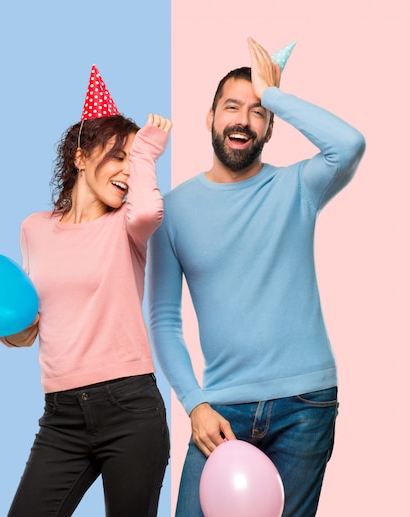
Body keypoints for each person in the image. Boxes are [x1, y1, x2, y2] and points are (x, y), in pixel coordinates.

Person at [147, 38, 366, 517]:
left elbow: (349, 145)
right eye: (231, 107)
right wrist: (194, 404)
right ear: (210, 118)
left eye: (257, 112)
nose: (242, 119)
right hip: (219, 411)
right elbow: (163, 320)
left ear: (270, 127)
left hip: (305, 405)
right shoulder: (173, 212)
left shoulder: (298, 187)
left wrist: (275, 95)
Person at [1, 64, 172, 517]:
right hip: (61, 415)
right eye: (118, 156)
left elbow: (150, 211)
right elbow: (26, 329)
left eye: (132, 161)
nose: (127, 171)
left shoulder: (126, 226)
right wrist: (12, 328)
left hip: (129, 407)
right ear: (80, 157)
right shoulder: (34, 229)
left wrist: (146, 155)